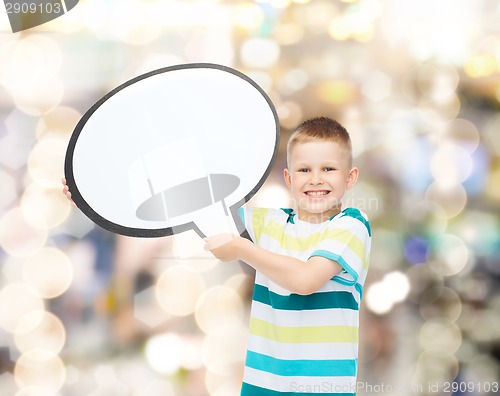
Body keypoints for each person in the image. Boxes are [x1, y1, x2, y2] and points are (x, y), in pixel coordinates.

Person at [204, 117, 371, 395]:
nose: (315, 179)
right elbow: (213, 208)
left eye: (328, 169)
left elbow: (305, 280)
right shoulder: (268, 222)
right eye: (304, 170)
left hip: (323, 389)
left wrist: (241, 249)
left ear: (350, 177)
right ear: (289, 178)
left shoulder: (352, 225)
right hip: (263, 386)